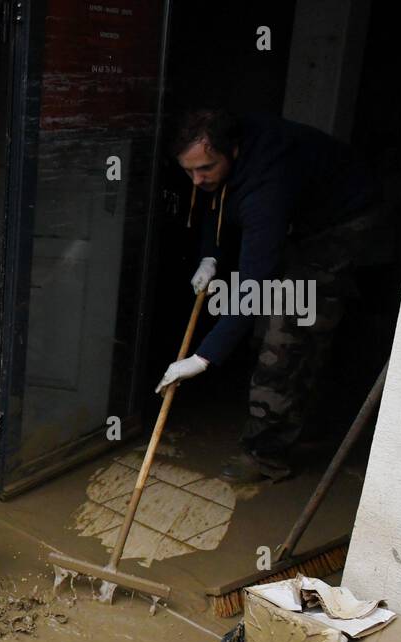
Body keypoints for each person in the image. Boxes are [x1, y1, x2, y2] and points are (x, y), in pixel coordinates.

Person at [161, 108, 383, 484]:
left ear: (233, 151)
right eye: (188, 171)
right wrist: (210, 256)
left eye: (205, 169)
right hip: (302, 217)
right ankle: (294, 416)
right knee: (270, 324)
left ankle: (267, 454)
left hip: (343, 224)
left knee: (287, 329)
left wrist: (203, 357)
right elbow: (215, 207)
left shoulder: (268, 185)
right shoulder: (220, 159)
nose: (196, 180)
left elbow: (253, 285)